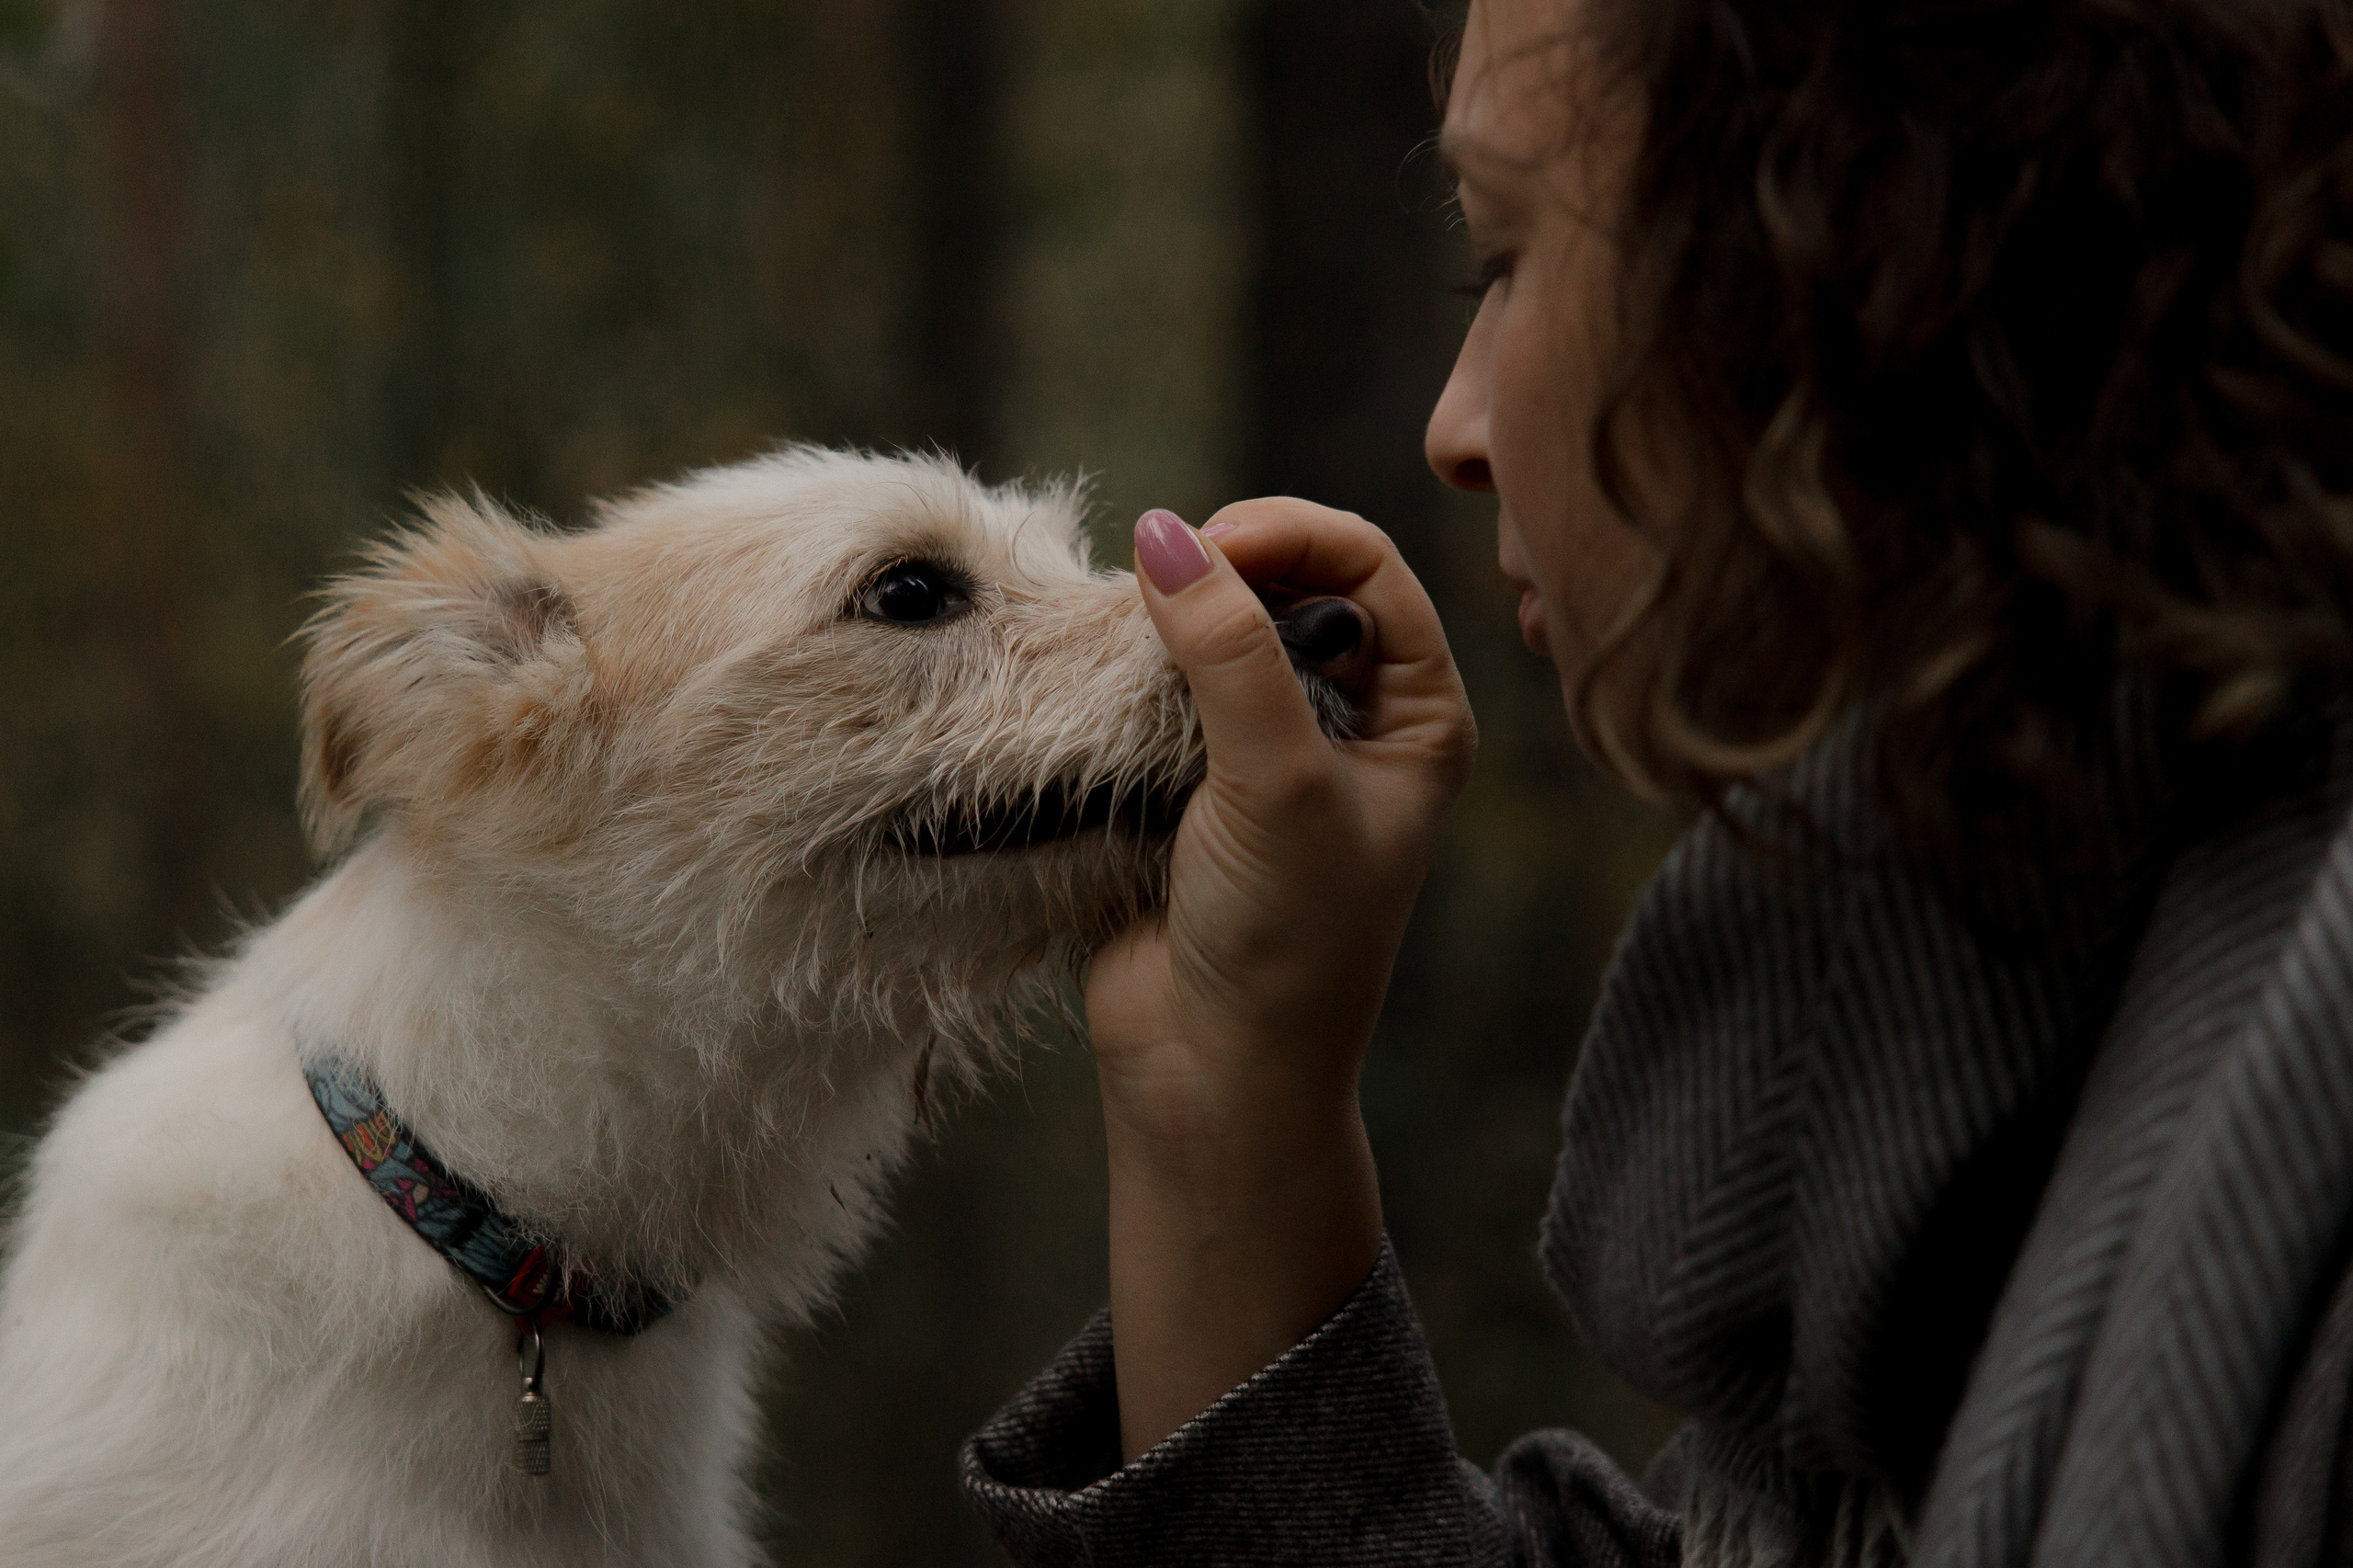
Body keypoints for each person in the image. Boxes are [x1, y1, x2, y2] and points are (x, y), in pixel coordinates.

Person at [960, 0, 2353, 1562]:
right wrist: (1228, 1081)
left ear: (1858, 247)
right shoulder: (1969, 1164)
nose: (1453, 426)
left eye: (1503, 259)